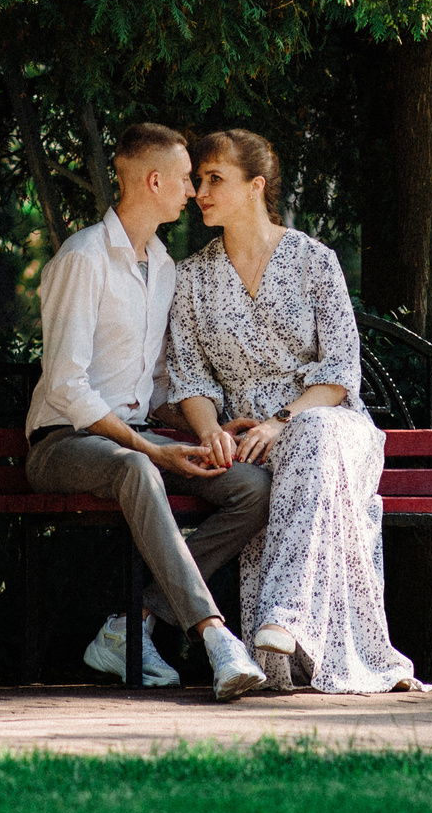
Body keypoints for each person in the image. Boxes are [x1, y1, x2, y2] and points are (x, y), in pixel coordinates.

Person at [165, 128, 426, 694]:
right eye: (199, 180)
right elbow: (190, 376)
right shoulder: (190, 278)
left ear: (256, 187)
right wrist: (210, 432)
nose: (200, 191)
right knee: (287, 456)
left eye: (215, 179)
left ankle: (283, 616)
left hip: (330, 424)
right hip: (249, 443)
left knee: (310, 433)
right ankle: (280, 638)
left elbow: (339, 373)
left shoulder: (315, 261)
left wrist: (279, 421)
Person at [25, 121, 273, 700]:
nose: (192, 192)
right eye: (187, 179)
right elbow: (66, 386)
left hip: (136, 440)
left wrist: (204, 428)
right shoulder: (83, 258)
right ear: (154, 180)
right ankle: (214, 637)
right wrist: (147, 448)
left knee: (253, 489)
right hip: (64, 444)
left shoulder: (163, 268)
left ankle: (131, 625)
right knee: (136, 468)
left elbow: (156, 387)